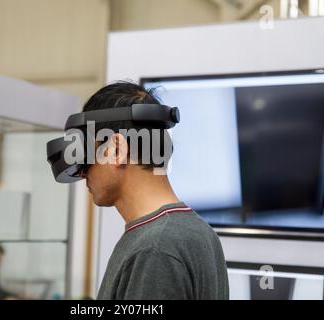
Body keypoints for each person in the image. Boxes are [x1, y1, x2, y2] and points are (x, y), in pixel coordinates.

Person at [81, 81, 229, 300]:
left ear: (117, 150)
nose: (83, 173)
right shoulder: (199, 232)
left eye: (86, 155)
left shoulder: (154, 248)